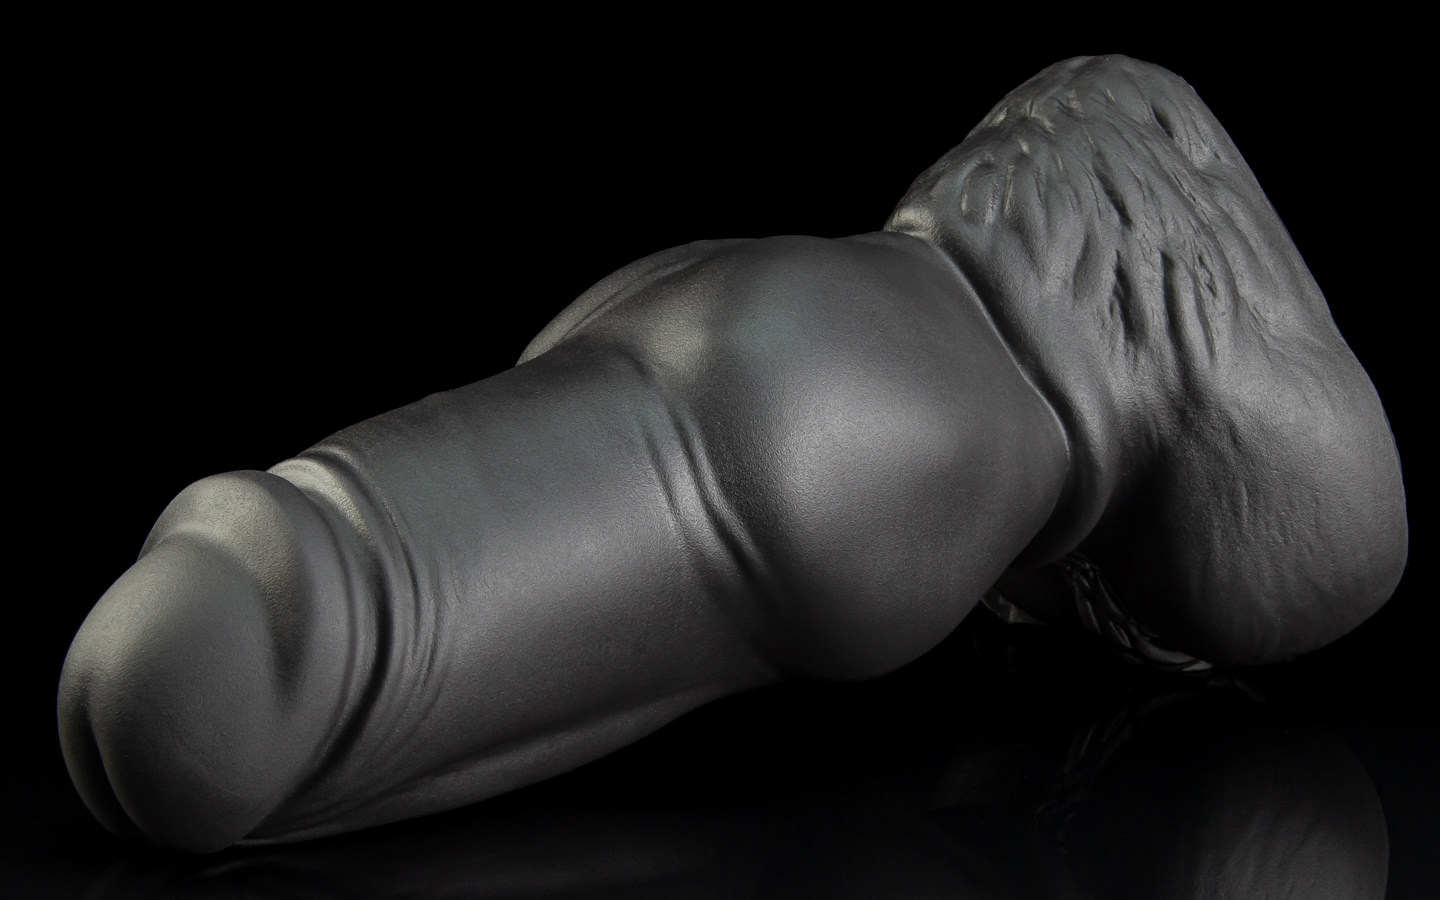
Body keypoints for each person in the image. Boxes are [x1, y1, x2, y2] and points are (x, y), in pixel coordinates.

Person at [56, 55, 1407, 853]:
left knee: (411, 592)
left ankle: (259, 624)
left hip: (789, 307)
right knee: (384, 615)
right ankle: (260, 638)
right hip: (881, 414)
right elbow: (1323, 564)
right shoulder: (1174, 329)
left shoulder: (1075, 146)